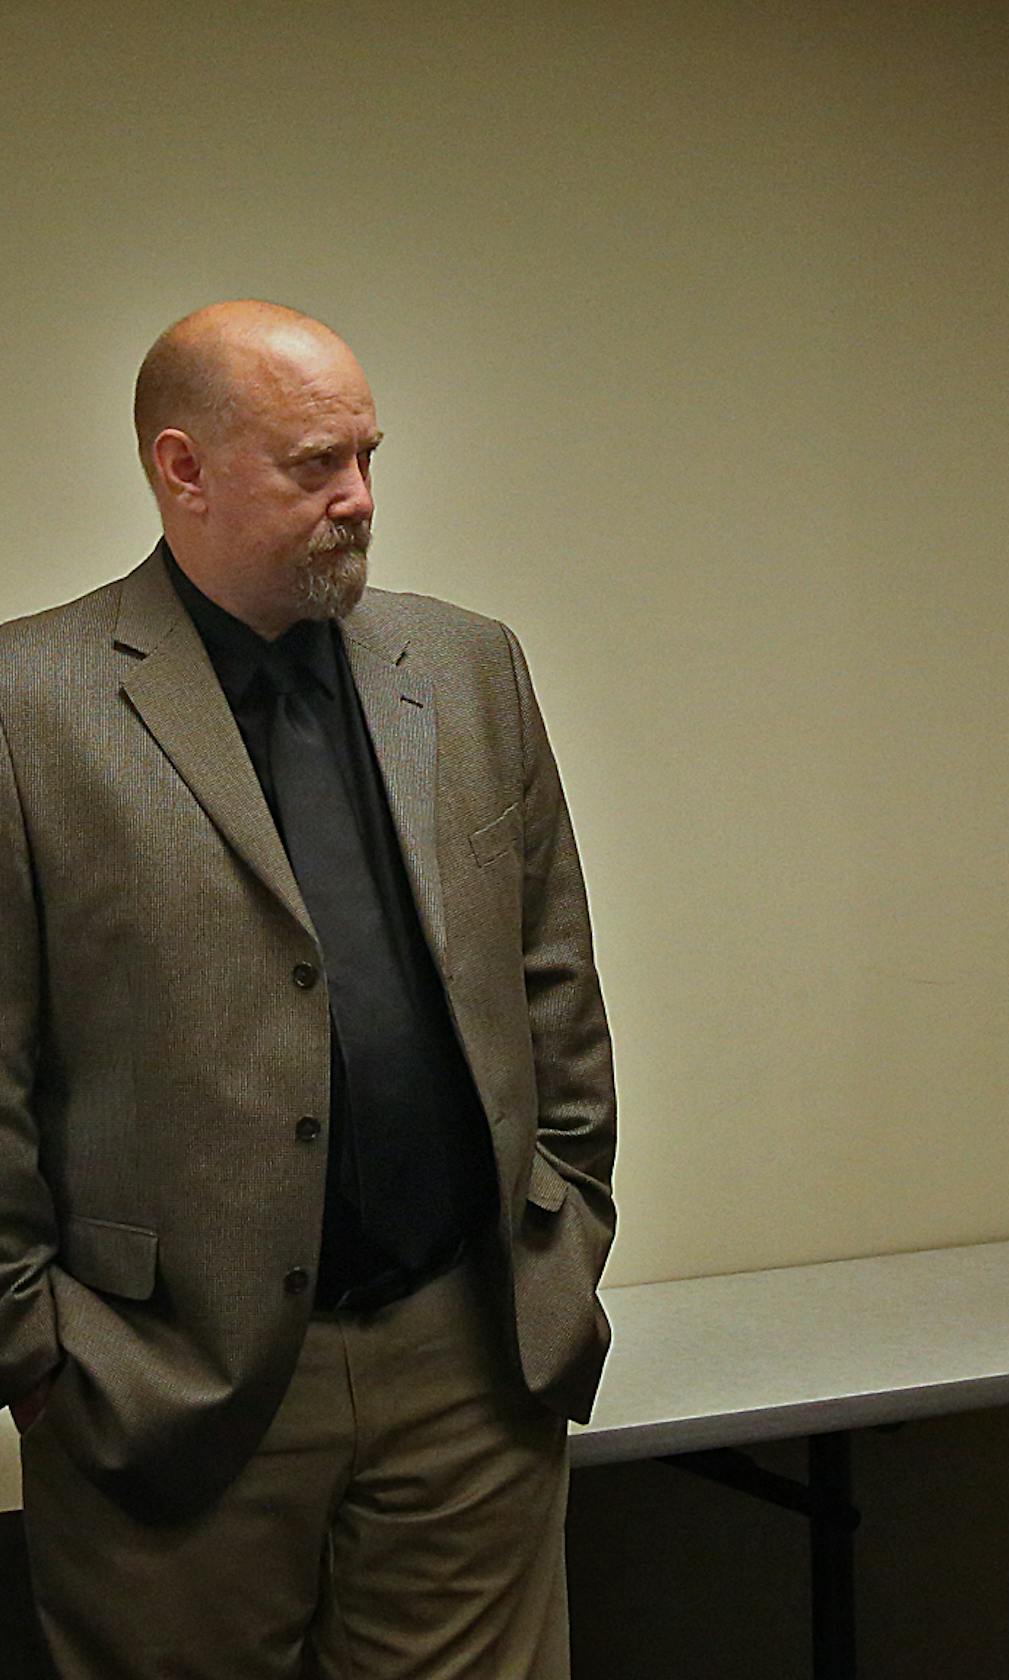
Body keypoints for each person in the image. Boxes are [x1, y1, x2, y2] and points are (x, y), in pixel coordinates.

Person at [0, 301, 618, 1677]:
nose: (360, 499)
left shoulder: (466, 670)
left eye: (368, 456)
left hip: (466, 1366)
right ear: (183, 467)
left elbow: (555, 988)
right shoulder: (28, 707)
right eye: (313, 465)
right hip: (167, 1392)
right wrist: (40, 1355)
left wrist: (560, 1236)